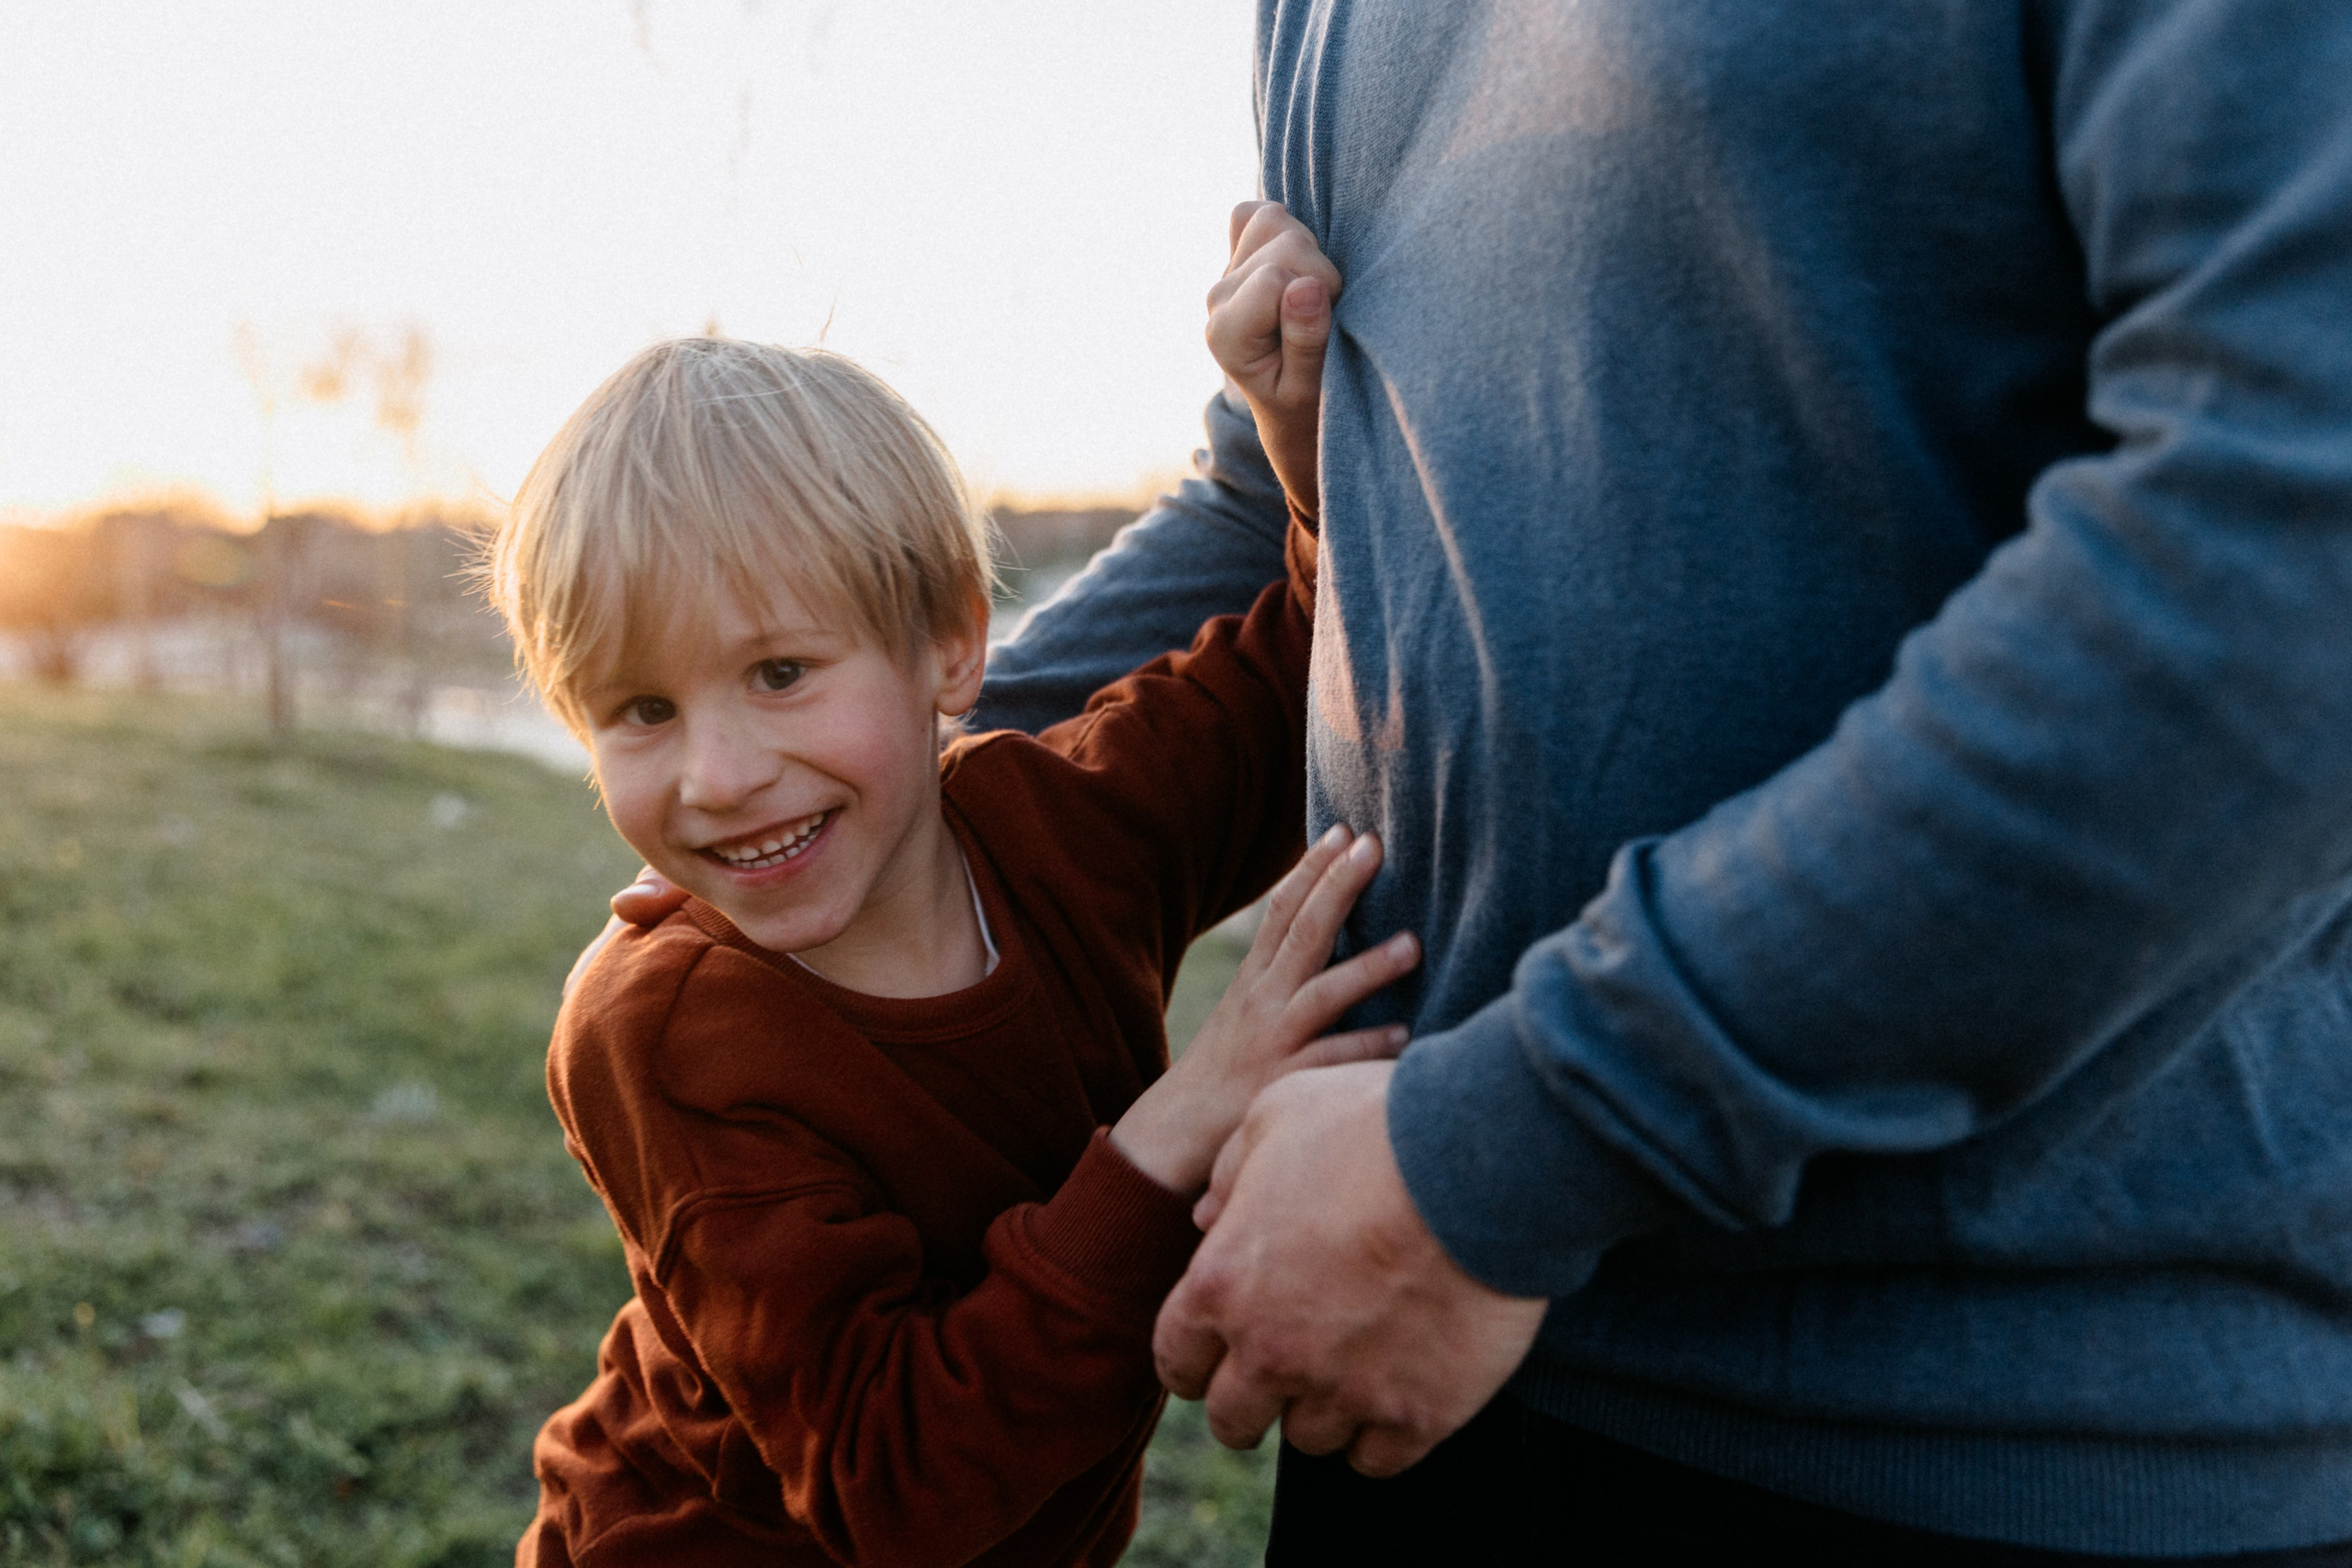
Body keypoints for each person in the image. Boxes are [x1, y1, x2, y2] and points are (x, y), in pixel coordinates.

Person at [996, 5, 2352, 1562]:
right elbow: (1292, 486)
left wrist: (1526, 1141)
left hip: (2012, 1440)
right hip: (1401, 1347)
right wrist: (887, 779)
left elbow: (2288, 542)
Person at [492, 230, 1400, 1568]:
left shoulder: (1066, 826)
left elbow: (1296, 682)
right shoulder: (667, 1035)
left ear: (951, 646)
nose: (718, 777)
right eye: (641, 709)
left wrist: (1304, 444)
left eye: (781, 674)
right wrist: (1176, 1132)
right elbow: (894, 1489)